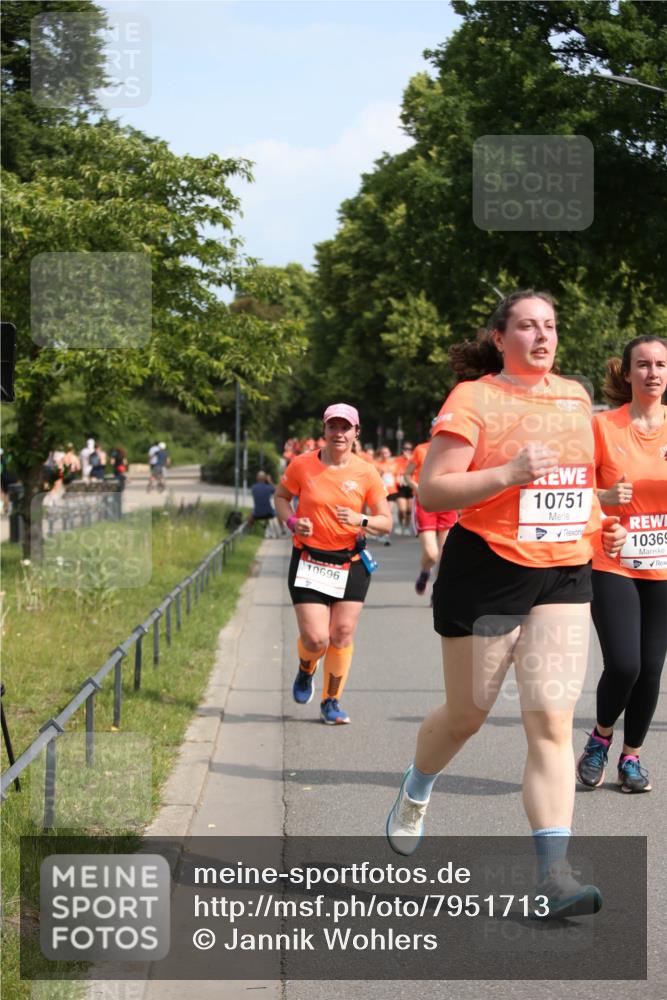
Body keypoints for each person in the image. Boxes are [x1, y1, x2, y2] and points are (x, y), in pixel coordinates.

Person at [385, 290, 626, 919]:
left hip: (564, 572)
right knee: (468, 714)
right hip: (487, 571)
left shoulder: (574, 396)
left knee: (550, 719)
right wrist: (508, 472)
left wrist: (604, 525)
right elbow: (434, 486)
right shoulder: (474, 399)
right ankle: (417, 785)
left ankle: (555, 879)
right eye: (526, 326)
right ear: (500, 337)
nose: (541, 336)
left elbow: (579, 482)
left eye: (549, 326)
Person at [576, 335, 667, 794]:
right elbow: (572, 493)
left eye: (660, 364)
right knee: (626, 663)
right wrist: (604, 500)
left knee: (652, 668)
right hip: (612, 559)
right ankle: (600, 738)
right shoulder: (602, 428)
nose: (653, 372)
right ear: (627, 373)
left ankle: (631, 758)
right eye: (644, 365)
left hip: (663, 566)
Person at [274, 403, 391, 725]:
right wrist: (293, 522)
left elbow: (386, 522)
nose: (339, 433)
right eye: (333, 427)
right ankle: (306, 668)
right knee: (316, 639)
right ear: (324, 430)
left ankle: (331, 701)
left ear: (356, 433)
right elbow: (281, 497)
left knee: (341, 633)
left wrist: (360, 518)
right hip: (310, 560)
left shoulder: (366, 472)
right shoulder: (302, 465)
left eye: (345, 427)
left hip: (350, 561)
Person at [406, 437, 457, 597]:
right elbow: (407, 475)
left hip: (447, 502)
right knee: (431, 553)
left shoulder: (454, 450)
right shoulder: (421, 450)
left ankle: (438, 592)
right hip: (425, 502)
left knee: (445, 554)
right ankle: (425, 571)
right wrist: (418, 487)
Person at [248, 470, 278, 535]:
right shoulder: (269, 487)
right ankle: (282, 529)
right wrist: (270, 481)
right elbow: (278, 491)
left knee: (251, 513)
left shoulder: (254, 487)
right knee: (279, 510)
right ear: (265, 478)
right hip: (269, 513)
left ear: (257, 478)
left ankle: (249, 531)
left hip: (257, 514)